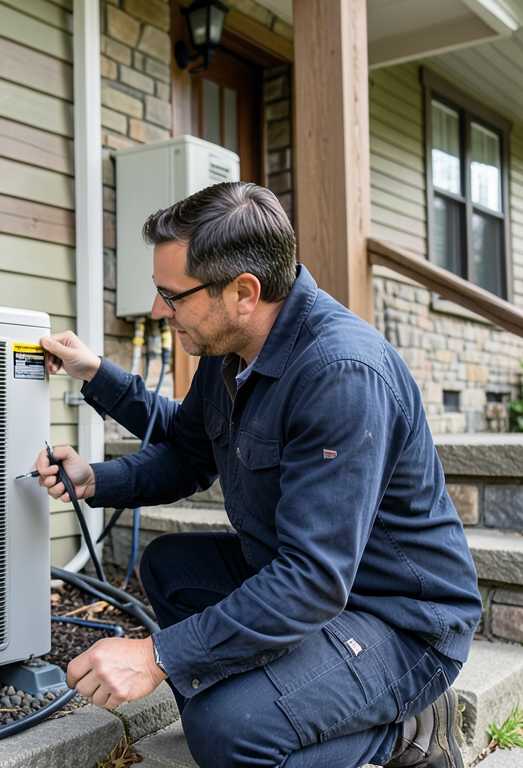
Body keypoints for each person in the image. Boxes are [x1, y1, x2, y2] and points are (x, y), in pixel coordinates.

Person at [35, 182, 482, 768]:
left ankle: (410, 731)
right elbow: (189, 449)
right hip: (314, 589)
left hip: (402, 623)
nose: (158, 312)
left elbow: (313, 580)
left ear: (244, 292)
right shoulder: (229, 349)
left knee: (228, 731)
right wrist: (96, 473)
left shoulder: (340, 374)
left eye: (172, 296)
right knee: (169, 570)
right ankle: (283, 691)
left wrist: (158, 657)